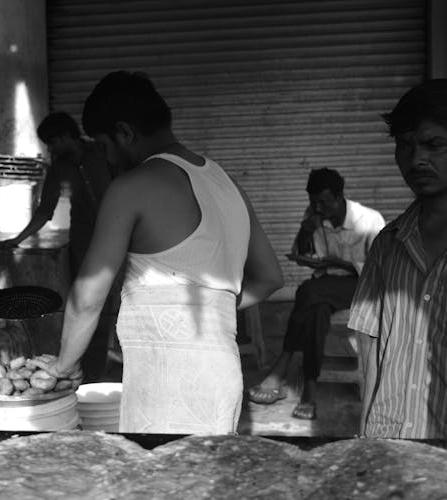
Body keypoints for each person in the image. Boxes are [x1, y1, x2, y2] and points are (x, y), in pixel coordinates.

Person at [30, 70, 283, 435]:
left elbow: (87, 296)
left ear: (125, 133)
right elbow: (271, 277)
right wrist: (214, 305)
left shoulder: (132, 186)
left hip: (165, 383)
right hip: (223, 377)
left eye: (103, 147)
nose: (107, 160)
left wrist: (65, 365)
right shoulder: (225, 183)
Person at [348, 79, 447, 439]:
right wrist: (365, 438)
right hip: (389, 441)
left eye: (434, 144)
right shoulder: (388, 245)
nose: (417, 158)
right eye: (405, 146)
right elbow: (370, 350)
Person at [248, 168, 385, 420]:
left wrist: (340, 263)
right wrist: (305, 230)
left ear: (339, 195)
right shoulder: (314, 216)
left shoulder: (369, 220)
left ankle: (283, 363)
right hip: (325, 287)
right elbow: (303, 253)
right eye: (314, 203)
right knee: (316, 311)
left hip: (362, 285)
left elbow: (380, 268)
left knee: (308, 291)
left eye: (323, 202)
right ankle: (309, 390)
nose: (318, 208)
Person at [0, 111, 117, 381]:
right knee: (88, 306)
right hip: (85, 246)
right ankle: (90, 374)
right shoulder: (59, 168)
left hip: (120, 239)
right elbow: (44, 212)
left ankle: (118, 366)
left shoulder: (103, 152)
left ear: (65, 136)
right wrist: (17, 240)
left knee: (119, 308)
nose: (50, 149)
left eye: (52, 142)